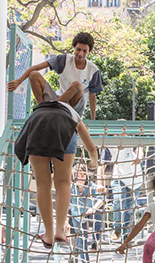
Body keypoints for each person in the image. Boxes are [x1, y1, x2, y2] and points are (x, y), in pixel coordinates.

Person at [14, 87, 100, 248]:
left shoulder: (41, 107)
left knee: (42, 183)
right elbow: (91, 148)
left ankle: (48, 233)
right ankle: (60, 230)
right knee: (63, 182)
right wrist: (94, 163)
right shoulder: (71, 113)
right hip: (63, 130)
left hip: (37, 127)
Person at [69, 164, 104, 263]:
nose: (81, 177)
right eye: (78, 175)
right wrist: (64, 221)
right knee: (81, 243)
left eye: (83, 175)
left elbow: (101, 199)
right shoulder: (71, 187)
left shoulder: (91, 187)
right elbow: (64, 203)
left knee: (98, 214)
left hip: (87, 214)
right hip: (76, 216)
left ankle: (95, 240)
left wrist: (93, 208)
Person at [110, 145, 139, 243]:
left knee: (129, 210)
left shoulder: (131, 139)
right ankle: (117, 228)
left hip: (134, 179)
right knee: (118, 201)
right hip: (119, 177)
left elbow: (139, 148)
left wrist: (140, 156)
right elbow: (102, 164)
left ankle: (126, 237)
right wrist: (100, 183)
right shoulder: (111, 144)